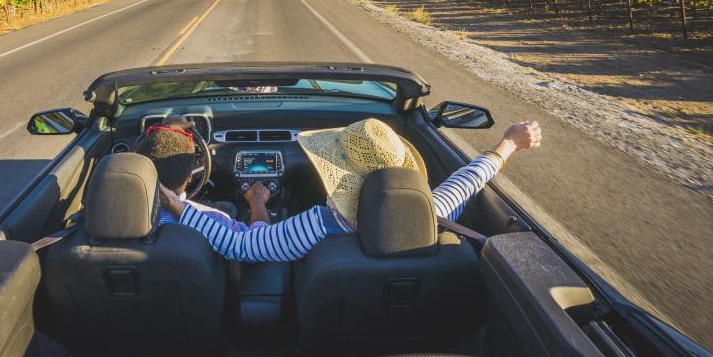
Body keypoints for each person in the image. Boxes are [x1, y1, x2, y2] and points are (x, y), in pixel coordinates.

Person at [158, 117, 542, 262]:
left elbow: (243, 247)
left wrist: (173, 203)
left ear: (335, 171)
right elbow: (470, 179)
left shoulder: (319, 225)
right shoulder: (430, 211)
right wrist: (508, 144)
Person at [132, 118, 265, 229]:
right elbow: (257, 245)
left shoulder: (114, 212)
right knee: (230, 209)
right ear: (189, 176)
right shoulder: (215, 220)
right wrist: (257, 200)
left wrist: (163, 128)